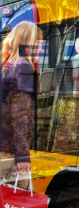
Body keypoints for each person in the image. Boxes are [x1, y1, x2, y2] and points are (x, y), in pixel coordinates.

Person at [0, 21, 42, 187]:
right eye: (38, 44)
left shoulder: (5, 66)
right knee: (20, 200)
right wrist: (23, 156)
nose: (40, 49)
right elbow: (20, 116)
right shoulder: (23, 68)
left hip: (3, 149)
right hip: (10, 154)